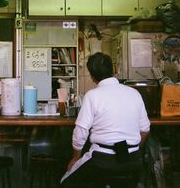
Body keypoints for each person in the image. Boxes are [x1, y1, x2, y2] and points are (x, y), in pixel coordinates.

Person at [60, 52, 151, 188]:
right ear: (113, 69)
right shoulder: (134, 93)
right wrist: (134, 149)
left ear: (92, 76)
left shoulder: (92, 96)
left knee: (65, 182)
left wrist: (75, 158)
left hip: (102, 160)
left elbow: (80, 133)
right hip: (132, 160)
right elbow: (145, 129)